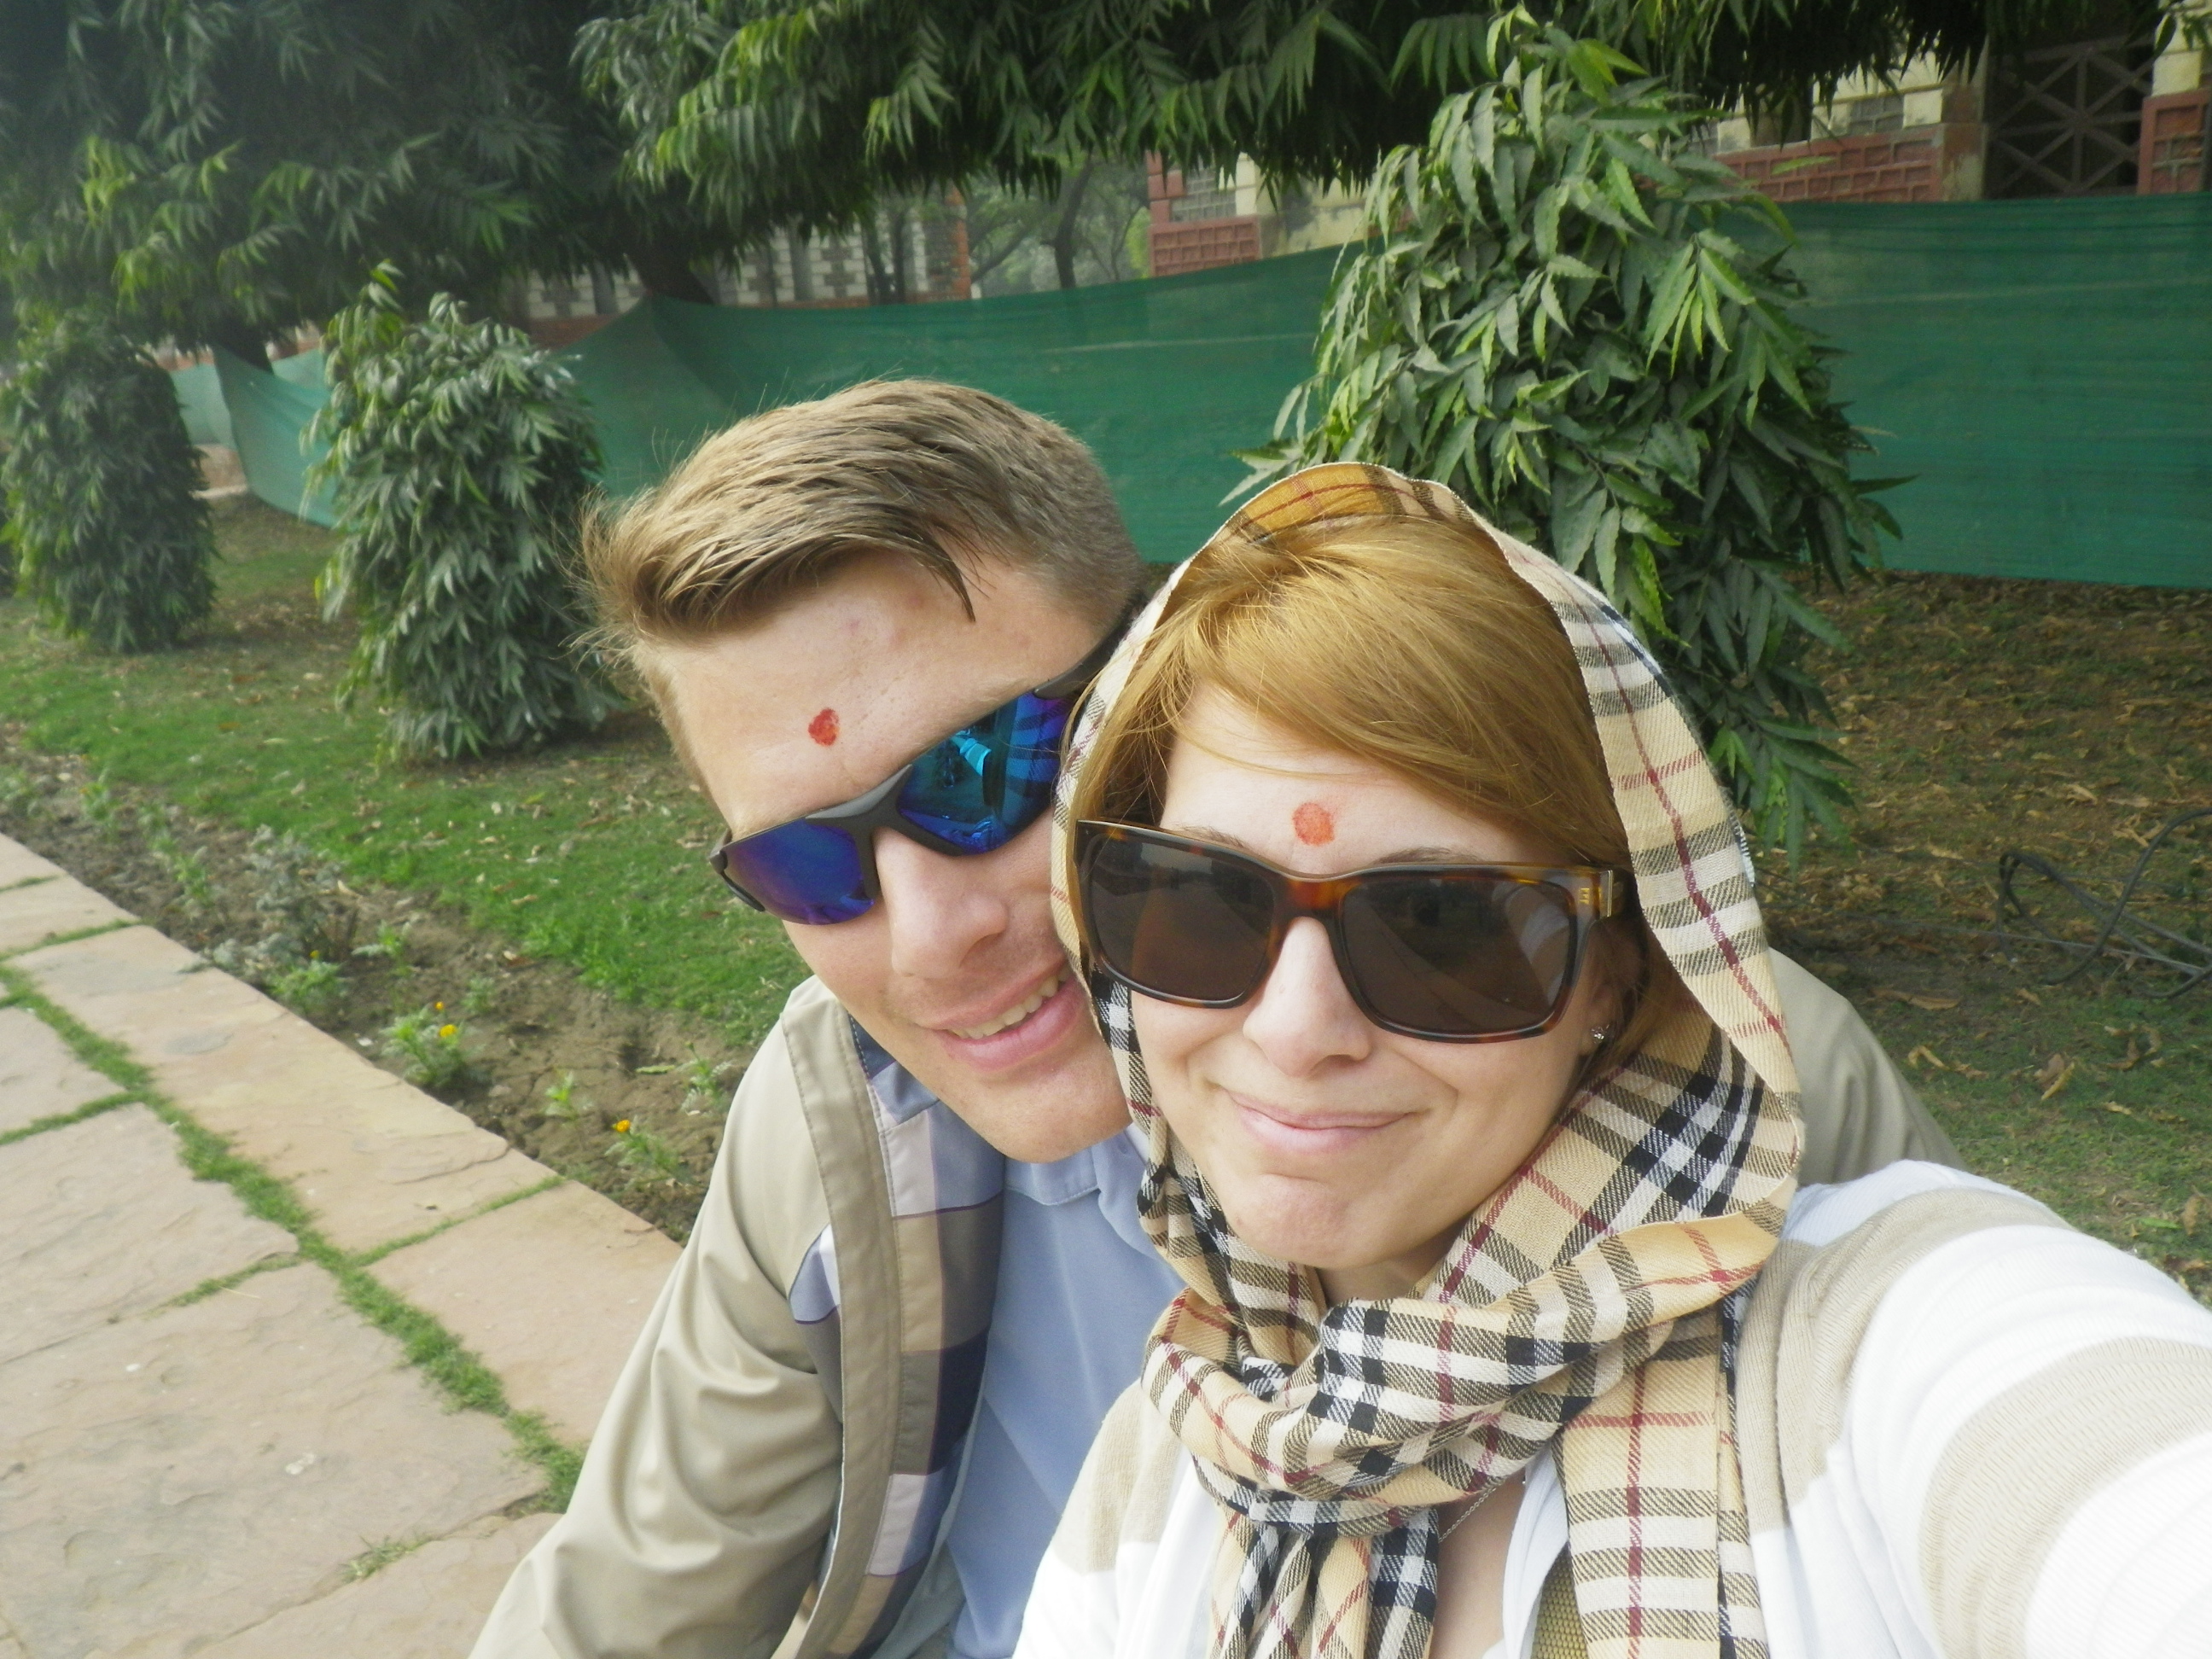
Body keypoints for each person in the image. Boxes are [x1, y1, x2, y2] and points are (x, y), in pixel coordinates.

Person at [473, 386, 1959, 1659]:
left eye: (985, 776)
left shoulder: (1739, 1081)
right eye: (807, 866)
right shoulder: (840, 1109)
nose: (931, 941)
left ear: (1153, 679)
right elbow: (627, 1600)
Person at [1016, 464, 2212, 1659]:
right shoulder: (1165, 1468)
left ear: (1617, 972)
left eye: (1443, 927)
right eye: (1198, 899)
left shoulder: (1888, 1344)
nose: (1293, 1028)